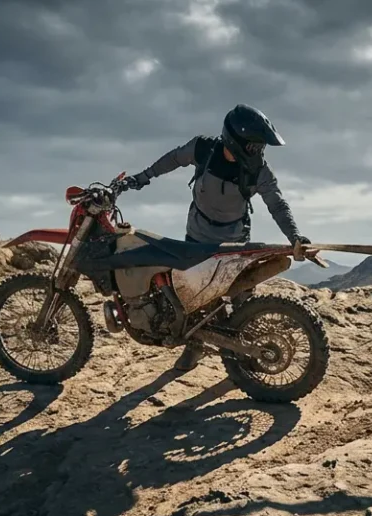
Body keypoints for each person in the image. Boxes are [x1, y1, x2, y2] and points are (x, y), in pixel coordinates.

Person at [123, 104, 312, 371]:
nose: (259, 151)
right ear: (237, 141)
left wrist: (295, 236)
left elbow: (277, 204)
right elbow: (175, 158)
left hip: (234, 242)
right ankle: (195, 347)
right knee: (195, 298)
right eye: (254, 146)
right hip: (197, 238)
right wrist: (144, 177)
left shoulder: (258, 170)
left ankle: (250, 356)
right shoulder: (202, 149)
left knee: (241, 297)